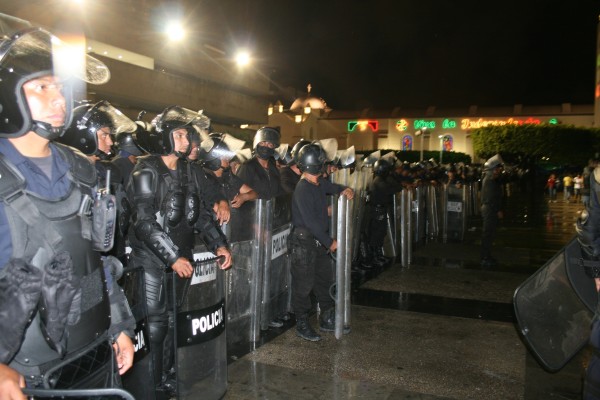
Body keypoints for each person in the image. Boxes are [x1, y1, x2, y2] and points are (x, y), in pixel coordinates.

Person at [0, 27, 135, 399]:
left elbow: (95, 263)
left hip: (93, 358)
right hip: (28, 376)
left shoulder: (81, 170)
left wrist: (118, 325)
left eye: (60, 87)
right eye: (41, 87)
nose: (59, 99)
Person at [125, 105, 232, 395]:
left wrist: (219, 245)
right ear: (165, 138)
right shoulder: (144, 171)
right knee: (154, 326)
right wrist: (173, 258)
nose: (188, 141)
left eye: (187, 135)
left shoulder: (190, 171)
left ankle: (167, 376)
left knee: (173, 320)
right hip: (150, 261)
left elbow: (199, 216)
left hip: (181, 258)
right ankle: (149, 385)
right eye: (181, 135)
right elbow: (145, 223)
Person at [288, 142, 354, 341]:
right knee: (304, 285)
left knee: (322, 281)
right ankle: (301, 322)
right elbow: (310, 223)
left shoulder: (317, 182)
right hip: (304, 243)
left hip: (316, 242)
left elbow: (332, 186)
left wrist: (344, 189)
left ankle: (326, 316)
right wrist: (329, 242)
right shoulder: (303, 189)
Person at [197, 132, 257, 208]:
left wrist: (244, 197)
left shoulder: (229, 176)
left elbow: (253, 194)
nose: (228, 158)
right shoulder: (202, 178)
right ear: (213, 158)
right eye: (223, 156)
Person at [366, 158, 403, 267]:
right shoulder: (378, 180)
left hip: (380, 209)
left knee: (381, 233)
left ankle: (378, 254)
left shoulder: (380, 179)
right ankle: (375, 256)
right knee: (377, 234)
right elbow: (391, 189)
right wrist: (391, 179)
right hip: (377, 210)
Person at [236, 126, 284, 199]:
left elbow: (279, 192)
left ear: (273, 148)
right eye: (262, 143)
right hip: (252, 209)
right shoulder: (247, 167)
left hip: (271, 209)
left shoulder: (273, 168)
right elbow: (238, 193)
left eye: (270, 144)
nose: (266, 146)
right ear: (257, 144)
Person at [480, 154, 504, 268]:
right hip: (490, 210)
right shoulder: (489, 181)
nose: (499, 171)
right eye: (497, 169)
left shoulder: (491, 180)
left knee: (489, 234)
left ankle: (487, 255)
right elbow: (490, 199)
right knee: (487, 234)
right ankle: (485, 257)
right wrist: (498, 210)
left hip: (490, 209)